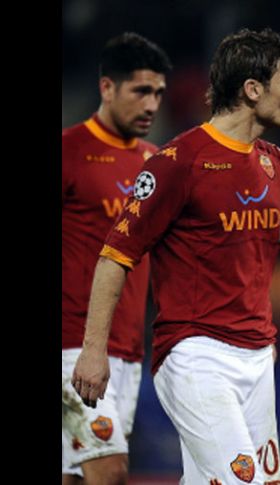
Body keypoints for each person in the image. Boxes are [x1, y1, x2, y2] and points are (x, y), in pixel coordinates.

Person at [71, 28, 280, 485]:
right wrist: (93, 351)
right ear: (252, 89)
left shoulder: (272, 163)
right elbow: (115, 257)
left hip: (258, 356)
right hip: (195, 355)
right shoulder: (178, 162)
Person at [62, 32, 171, 485]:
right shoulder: (68, 152)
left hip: (127, 350)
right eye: (140, 91)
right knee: (110, 471)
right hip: (74, 346)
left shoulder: (157, 163)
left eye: (159, 93)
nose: (152, 105)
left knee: (78, 476)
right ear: (107, 88)